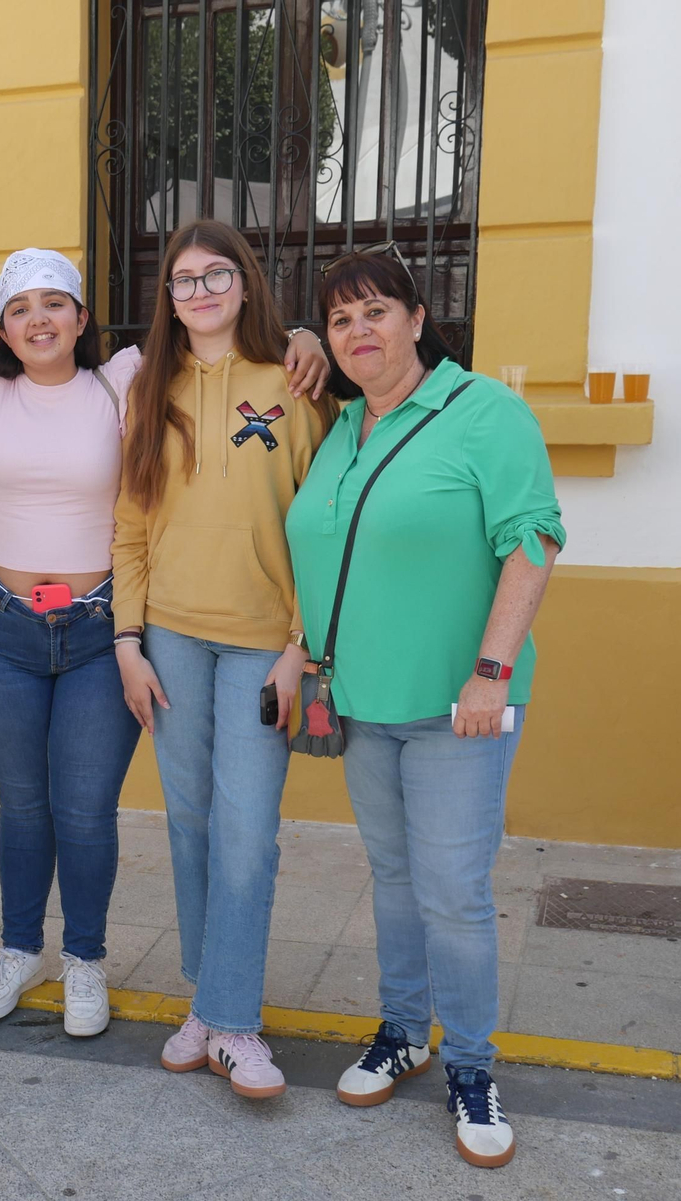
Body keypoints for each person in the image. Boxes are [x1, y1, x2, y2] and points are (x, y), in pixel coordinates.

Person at [0, 249, 328, 1039]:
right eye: (20, 307)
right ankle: (18, 947)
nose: (38, 319)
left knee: (84, 810)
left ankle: (84, 958)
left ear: (81, 316)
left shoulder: (128, 377)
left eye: (55, 303)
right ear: (2, 326)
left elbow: (221, 333)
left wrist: (305, 333)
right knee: (22, 805)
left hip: (96, 628)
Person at [286, 244, 562, 1168]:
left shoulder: (484, 411)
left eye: (374, 311)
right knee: (394, 878)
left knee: (454, 893)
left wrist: (491, 669)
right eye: (339, 319)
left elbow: (533, 540)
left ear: (415, 315)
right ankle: (404, 1029)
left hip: (458, 708)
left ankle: (473, 1068)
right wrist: (302, 652)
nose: (359, 331)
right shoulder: (342, 426)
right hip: (362, 700)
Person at [111, 219, 340, 1098]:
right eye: (182, 280)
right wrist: (127, 642)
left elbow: (322, 529)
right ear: (167, 297)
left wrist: (299, 649)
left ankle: (236, 1023)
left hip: (261, 649)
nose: (199, 291)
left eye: (217, 275)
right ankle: (208, 1006)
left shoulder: (296, 380)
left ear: (246, 283)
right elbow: (129, 525)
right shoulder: (147, 385)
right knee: (191, 825)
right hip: (169, 638)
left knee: (247, 835)